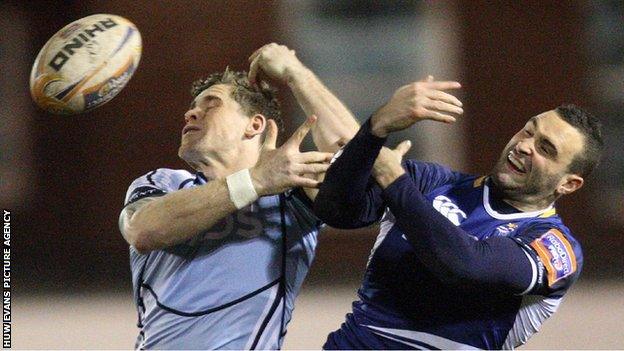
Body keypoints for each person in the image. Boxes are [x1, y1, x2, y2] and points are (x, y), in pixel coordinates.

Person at [314, 77, 603, 349]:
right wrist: (376, 128)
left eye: (545, 148)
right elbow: (337, 211)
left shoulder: (554, 247)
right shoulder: (432, 182)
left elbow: (464, 265)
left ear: (569, 183)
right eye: (528, 131)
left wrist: (394, 180)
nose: (525, 145)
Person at [118, 43, 359, 349]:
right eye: (194, 106)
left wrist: (297, 74)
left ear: (254, 124)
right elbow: (142, 230)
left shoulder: (294, 194)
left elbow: (361, 163)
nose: (191, 112)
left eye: (212, 103)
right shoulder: (164, 182)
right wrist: (255, 180)